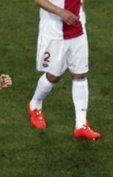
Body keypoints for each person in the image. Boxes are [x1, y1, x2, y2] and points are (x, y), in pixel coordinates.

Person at [27, 0, 101, 140]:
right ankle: (35, 104)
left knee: (80, 74)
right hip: (54, 33)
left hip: (78, 30)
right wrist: (61, 12)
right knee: (54, 76)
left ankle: (81, 125)